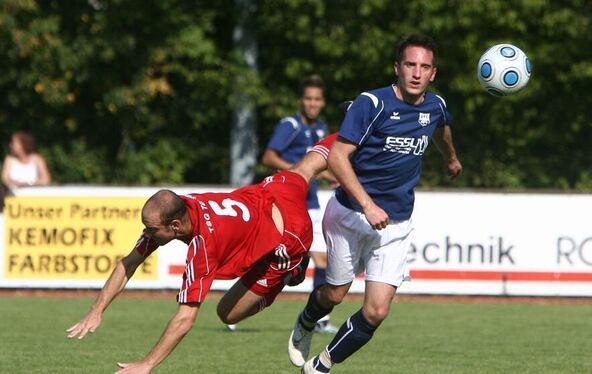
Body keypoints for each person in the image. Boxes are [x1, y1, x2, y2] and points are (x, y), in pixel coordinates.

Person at [66, 134, 338, 374]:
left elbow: (185, 319)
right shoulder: (182, 207)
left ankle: (295, 269)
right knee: (309, 163)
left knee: (227, 314)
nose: (146, 234)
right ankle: (356, 119)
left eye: (150, 229)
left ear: (174, 226)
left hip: (288, 236)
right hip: (272, 191)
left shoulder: (202, 247)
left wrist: (146, 364)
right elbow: (128, 263)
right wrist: (96, 310)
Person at [288, 34, 463, 373]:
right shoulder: (372, 103)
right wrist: (368, 204)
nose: (416, 73)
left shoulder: (436, 106)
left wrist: (451, 159)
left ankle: (320, 366)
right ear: (397, 68)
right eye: (410, 64)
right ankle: (307, 320)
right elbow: (338, 157)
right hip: (350, 215)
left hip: (396, 223)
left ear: (433, 74)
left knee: (376, 311)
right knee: (335, 295)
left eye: (424, 67)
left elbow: (442, 130)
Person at [262, 74, 337, 334]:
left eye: (317, 99)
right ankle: (239, 306)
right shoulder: (290, 125)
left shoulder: (320, 129)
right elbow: (269, 156)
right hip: (287, 202)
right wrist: (296, 172)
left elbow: (315, 166)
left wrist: (334, 178)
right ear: (301, 101)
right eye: (308, 99)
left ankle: (318, 319)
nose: (312, 104)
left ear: (323, 102)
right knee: (271, 257)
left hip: (312, 203)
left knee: (322, 259)